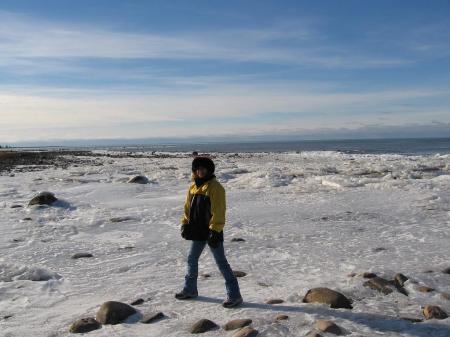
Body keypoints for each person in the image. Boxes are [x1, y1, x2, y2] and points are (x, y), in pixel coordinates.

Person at [175, 156, 243, 308]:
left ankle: (235, 295)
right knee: (192, 259)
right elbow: (187, 208)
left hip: (212, 231)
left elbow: (219, 211)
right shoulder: (193, 187)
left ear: (209, 170)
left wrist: (215, 230)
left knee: (221, 263)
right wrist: (185, 224)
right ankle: (190, 290)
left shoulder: (215, 187)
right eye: (198, 168)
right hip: (197, 231)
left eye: (203, 168)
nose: (200, 171)